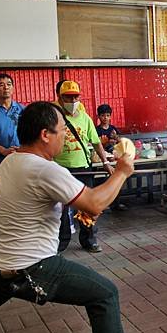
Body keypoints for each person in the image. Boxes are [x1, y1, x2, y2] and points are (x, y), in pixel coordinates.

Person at [0, 101, 134, 333]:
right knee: (105, 295)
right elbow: (94, 204)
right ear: (45, 135)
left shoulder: (12, 160)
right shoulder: (45, 169)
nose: (66, 135)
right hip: (28, 267)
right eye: (62, 129)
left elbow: (33, 200)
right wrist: (121, 172)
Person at [55, 80, 113, 253]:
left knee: (87, 207)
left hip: (83, 167)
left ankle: (89, 240)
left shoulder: (84, 117)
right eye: (68, 97)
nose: (73, 101)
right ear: (60, 97)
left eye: (76, 97)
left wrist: (105, 162)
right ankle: (61, 242)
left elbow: (96, 143)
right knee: (61, 209)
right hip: (60, 169)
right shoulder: (53, 116)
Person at [95, 104, 128, 211]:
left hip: (115, 159)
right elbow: (94, 145)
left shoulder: (113, 129)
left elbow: (121, 142)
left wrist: (116, 138)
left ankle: (116, 203)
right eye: (103, 115)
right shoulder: (96, 130)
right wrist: (104, 143)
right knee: (104, 182)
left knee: (117, 181)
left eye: (108, 115)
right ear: (98, 117)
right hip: (102, 161)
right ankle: (104, 204)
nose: (105, 118)